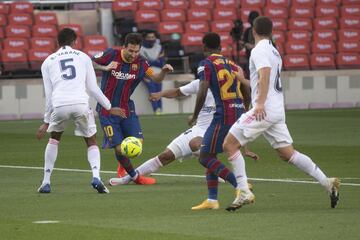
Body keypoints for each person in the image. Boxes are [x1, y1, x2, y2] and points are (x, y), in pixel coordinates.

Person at [223, 16, 340, 211]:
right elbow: (262, 78)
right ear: (272, 32)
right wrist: (246, 83)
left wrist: (259, 103)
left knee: (229, 144)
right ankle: (327, 182)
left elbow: (265, 74)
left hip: (264, 109)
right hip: (276, 110)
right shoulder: (274, 51)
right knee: (288, 154)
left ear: (253, 31)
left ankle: (243, 190)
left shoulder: (259, 50)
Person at [108, 79, 258, 186]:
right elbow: (177, 91)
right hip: (198, 129)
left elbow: (240, 119)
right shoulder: (201, 83)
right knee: (165, 156)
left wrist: (245, 146)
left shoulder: (230, 93)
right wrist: (160, 94)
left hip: (216, 132)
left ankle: (229, 178)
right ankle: (128, 178)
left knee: (196, 144)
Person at [36, 28, 125, 194]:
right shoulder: (83, 57)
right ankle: (96, 177)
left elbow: (49, 95)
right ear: (75, 42)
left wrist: (46, 121)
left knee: (54, 140)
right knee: (91, 141)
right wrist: (108, 107)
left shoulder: (47, 61)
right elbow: (92, 88)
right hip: (80, 103)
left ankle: (46, 182)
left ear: (57, 42)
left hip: (59, 104)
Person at [92, 33, 174, 185]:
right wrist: (105, 67)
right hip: (107, 110)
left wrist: (163, 72)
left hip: (126, 107)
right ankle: (135, 177)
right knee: (118, 149)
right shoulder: (111, 54)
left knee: (138, 142)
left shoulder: (141, 62)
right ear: (124, 47)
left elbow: (155, 78)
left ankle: (123, 165)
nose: (133, 54)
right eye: (131, 51)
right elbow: (90, 63)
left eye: (136, 51)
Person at [188, 32, 251, 210]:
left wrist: (194, 114)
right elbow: (246, 92)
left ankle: (241, 187)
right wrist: (244, 113)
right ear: (221, 47)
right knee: (211, 154)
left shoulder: (206, 64)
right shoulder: (233, 65)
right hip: (238, 113)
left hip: (223, 115)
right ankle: (212, 200)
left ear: (204, 47)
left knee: (204, 156)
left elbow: (203, 89)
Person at [140, 30, 165, 115]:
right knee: (153, 90)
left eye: (152, 37)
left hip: (158, 72)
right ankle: (156, 110)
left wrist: (150, 61)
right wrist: (155, 61)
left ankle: (160, 110)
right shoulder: (140, 49)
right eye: (149, 37)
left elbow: (161, 63)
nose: (151, 39)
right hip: (146, 72)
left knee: (159, 91)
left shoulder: (159, 47)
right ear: (145, 38)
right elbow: (144, 64)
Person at [241, 11, 259, 78]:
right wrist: (244, 44)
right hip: (250, 58)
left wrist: (253, 46)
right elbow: (243, 44)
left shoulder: (262, 31)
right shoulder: (247, 31)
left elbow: (268, 43)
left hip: (261, 58)